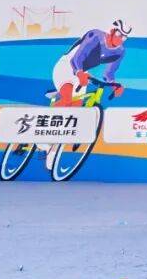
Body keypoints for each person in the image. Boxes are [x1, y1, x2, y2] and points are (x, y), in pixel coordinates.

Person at [41, 20, 130, 169]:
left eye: (125, 37)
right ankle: (40, 135)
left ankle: (53, 150)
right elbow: (77, 58)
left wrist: (115, 85)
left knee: (74, 113)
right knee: (68, 98)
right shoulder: (95, 36)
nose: (121, 39)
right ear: (112, 31)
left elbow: (109, 74)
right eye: (120, 35)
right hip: (68, 65)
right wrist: (79, 73)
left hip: (82, 73)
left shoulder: (119, 52)